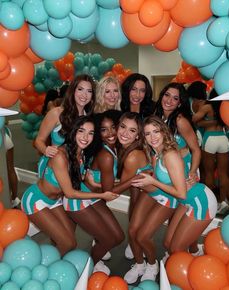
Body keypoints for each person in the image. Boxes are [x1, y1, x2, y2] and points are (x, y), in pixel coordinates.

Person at [125, 116, 217, 284]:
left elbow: (180, 193)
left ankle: (192, 279)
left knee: (176, 248)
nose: (152, 137)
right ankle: (192, 255)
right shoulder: (157, 153)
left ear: (164, 132)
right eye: (147, 134)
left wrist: (153, 182)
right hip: (186, 202)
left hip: (200, 202)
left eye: (156, 132)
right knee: (168, 243)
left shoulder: (170, 154)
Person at [21, 116, 119, 263]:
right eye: (81, 131)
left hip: (55, 201)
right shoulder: (60, 156)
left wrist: (95, 183)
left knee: (67, 239)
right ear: (73, 132)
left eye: (91, 133)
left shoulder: (81, 154)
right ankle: (45, 268)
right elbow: (70, 193)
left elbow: (75, 181)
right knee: (68, 243)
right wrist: (103, 195)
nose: (86, 137)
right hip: (36, 200)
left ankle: (50, 252)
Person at [35, 74, 96, 178]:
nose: (84, 95)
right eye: (80, 89)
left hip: (76, 168)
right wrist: (46, 150)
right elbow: (38, 141)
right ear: (73, 91)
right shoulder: (56, 113)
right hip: (52, 169)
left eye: (89, 91)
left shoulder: (89, 118)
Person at [116, 112, 152, 260]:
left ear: (138, 135)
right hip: (139, 188)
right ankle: (135, 244)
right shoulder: (126, 147)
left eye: (132, 130)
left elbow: (121, 186)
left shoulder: (133, 156)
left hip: (153, 193)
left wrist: (94, 185)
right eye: (123, 127)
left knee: (136, 229)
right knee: (134, 205)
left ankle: (146, 259)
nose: (125, 133)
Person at [192, 89, 229, 214]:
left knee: (209, 173)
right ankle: (225, 200)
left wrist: (206, 122)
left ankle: (212, 203)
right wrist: (216, 121)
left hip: (210, 139)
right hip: (223, 138)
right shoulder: (225, 106)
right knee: (223, 173)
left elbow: (194, 119)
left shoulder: (207, 107)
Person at [155, 82, 201, 186]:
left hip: (183, 169)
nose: (169, 100)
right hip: (164, 168)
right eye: (167, 95)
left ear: (179, 103)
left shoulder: (180, 121)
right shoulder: (158, 117)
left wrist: (193, 172)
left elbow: (196, 149)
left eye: (175, 98)